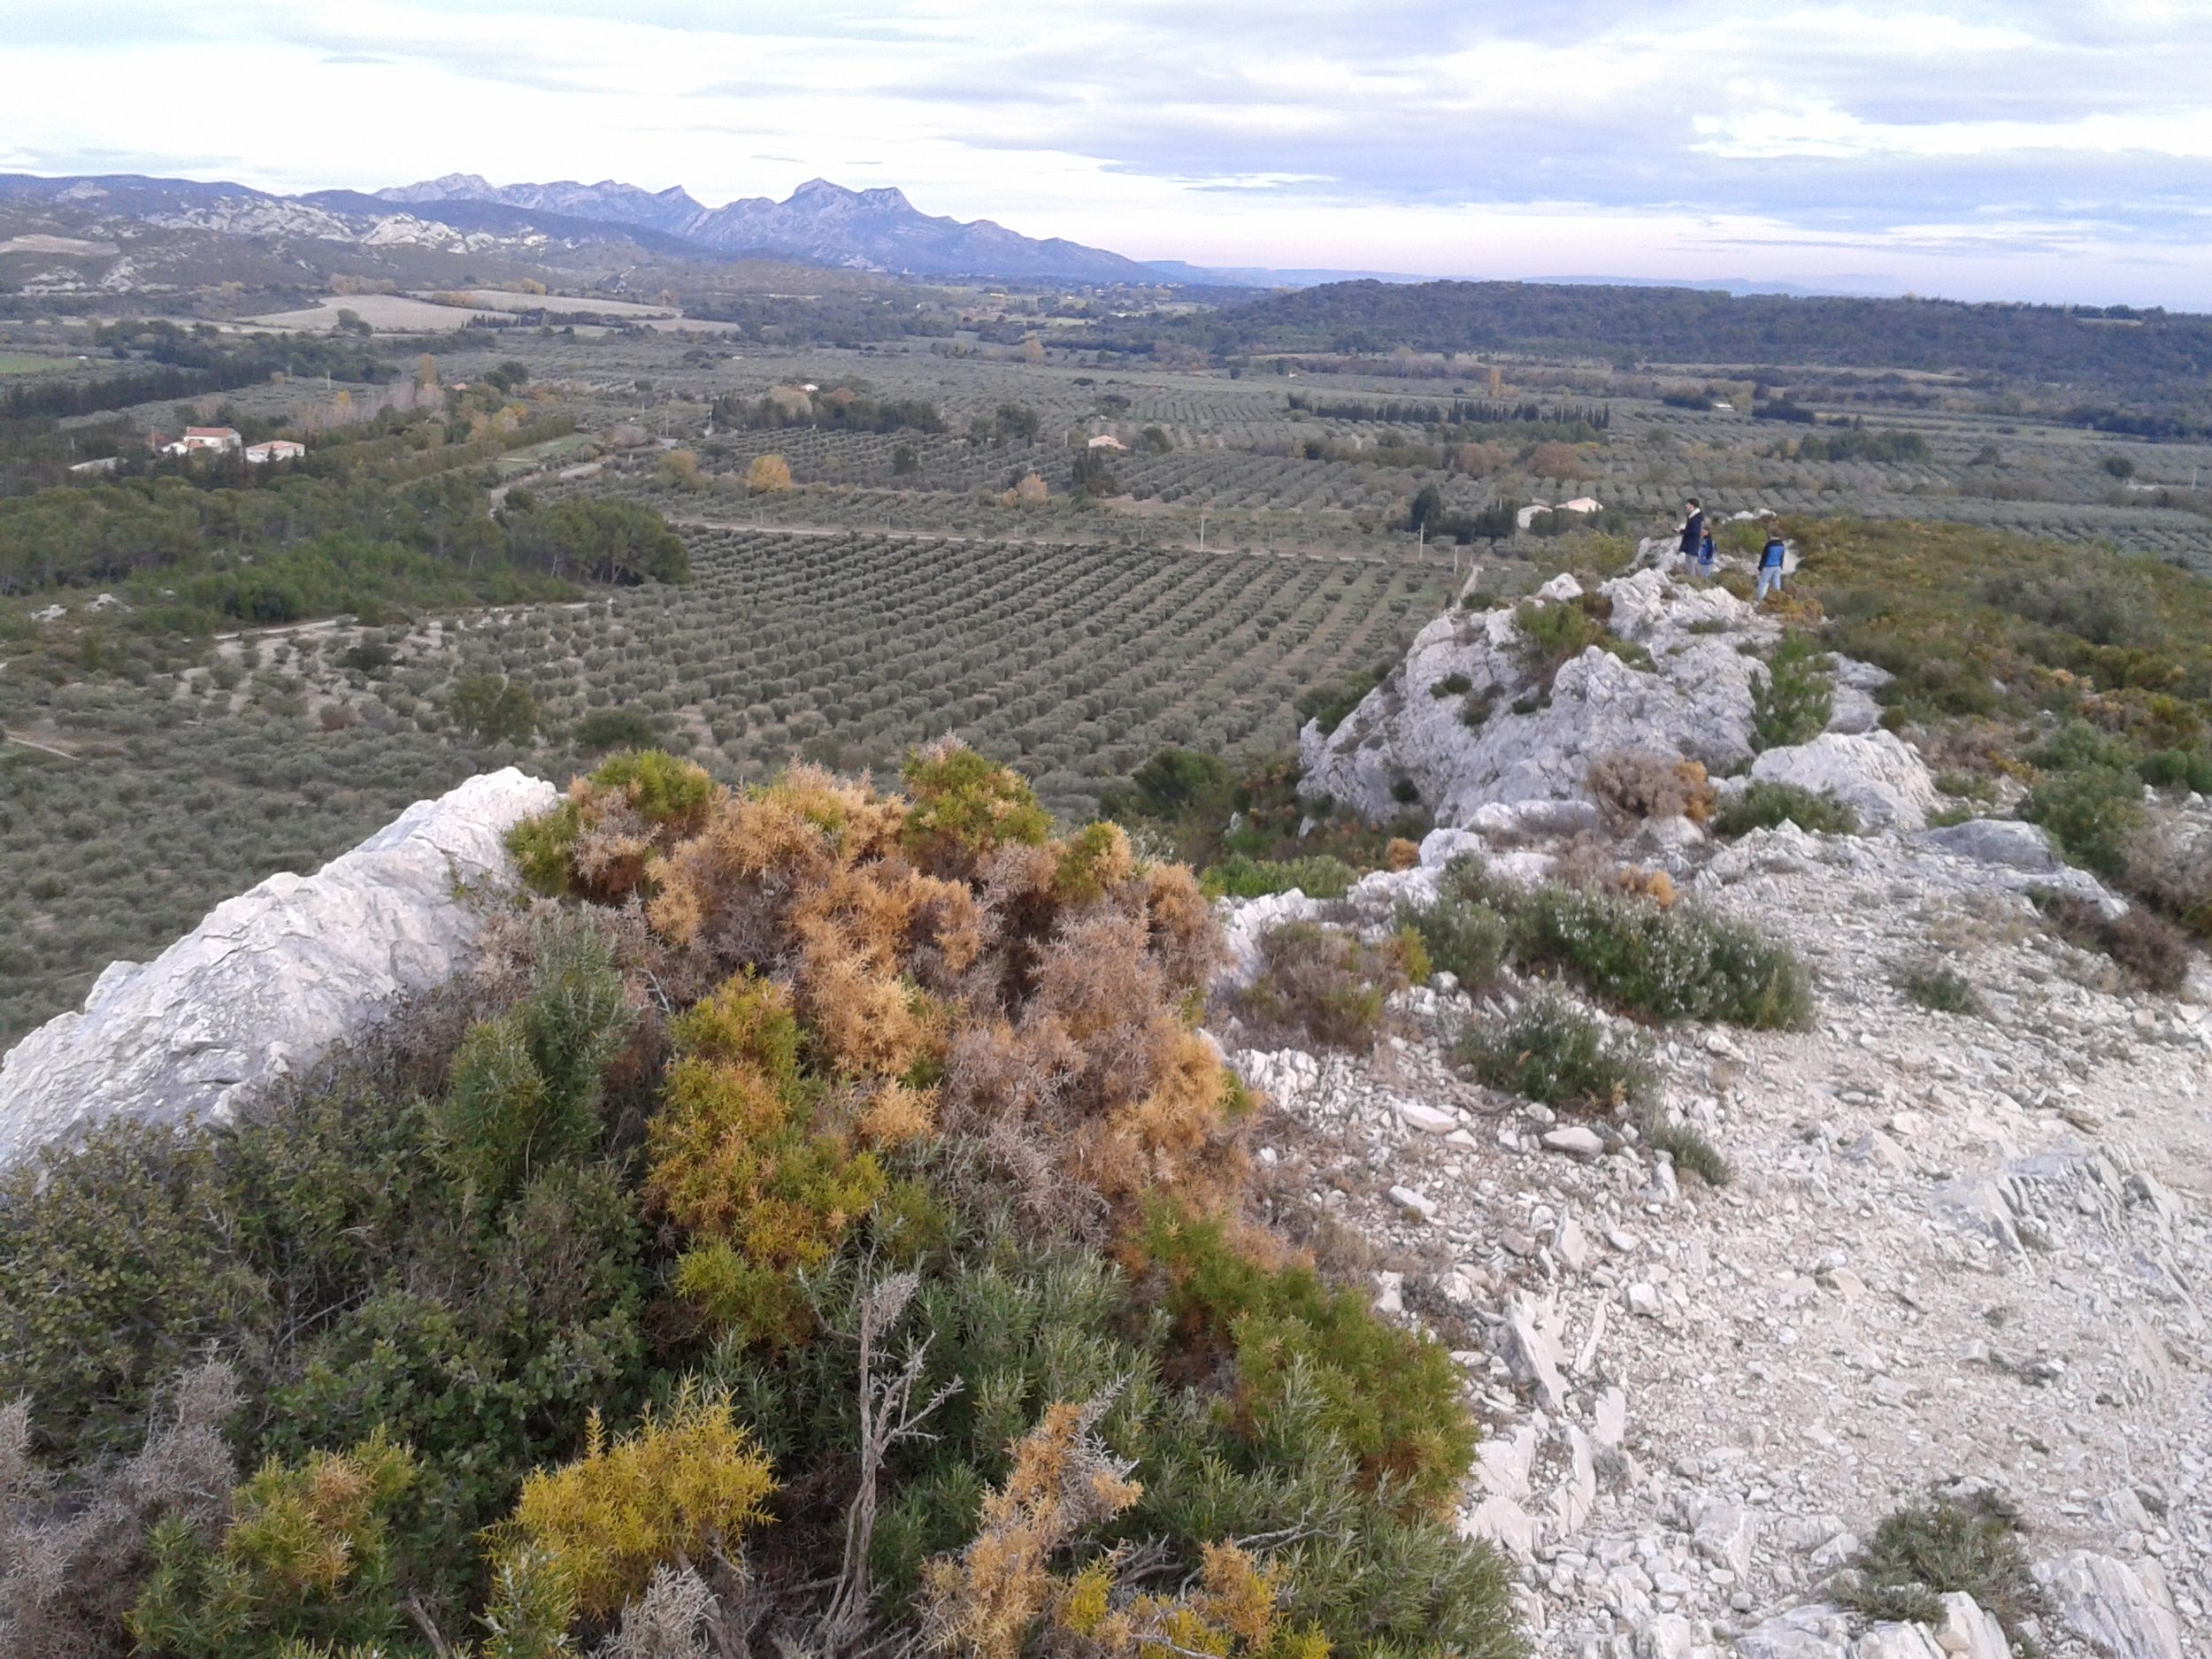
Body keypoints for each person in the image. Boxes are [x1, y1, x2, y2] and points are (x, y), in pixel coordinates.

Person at [1756, 529, 1788, 601]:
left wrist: (1760, 567)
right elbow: (1781, 558)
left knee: (1763, 584)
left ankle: (1760, 600)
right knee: (1777, 585)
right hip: (1777, 567)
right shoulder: (1782, 545)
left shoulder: (1769, 545)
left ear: (1771, 535)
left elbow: (1764, 557)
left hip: (1768, 567)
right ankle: (1778, 600)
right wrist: (1781, 567)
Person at [1676, 498, 1704, 570]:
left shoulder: (1696, 517)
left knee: (1690, 565)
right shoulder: (1696, 516)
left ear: (1692, 505)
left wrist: (1681, 531)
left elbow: (1694, 531)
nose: (1686, 505)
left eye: (1687, 504)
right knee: (1690, 564)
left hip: (1692, 544)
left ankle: (1691, 577)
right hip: (1692, 544)